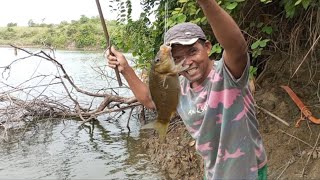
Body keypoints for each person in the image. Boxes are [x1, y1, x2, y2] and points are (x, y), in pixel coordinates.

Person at [107, 0, 267, 179]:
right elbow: (149, 99)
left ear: (207, 47)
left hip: (249, 173)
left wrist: (206, 3)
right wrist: (125, 68)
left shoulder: (228, 73)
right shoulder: (178, 88)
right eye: (178, 58)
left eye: (192, 52)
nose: (187, 62)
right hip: (213, 174)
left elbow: (237, 47)